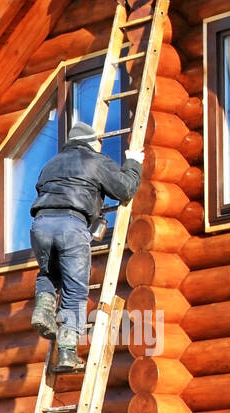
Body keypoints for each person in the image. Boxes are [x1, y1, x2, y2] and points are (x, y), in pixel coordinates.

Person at [30, 121, 144, 375]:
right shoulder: (95, 160)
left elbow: (42, 191)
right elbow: (125, 189)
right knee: (74, 290)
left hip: (40, 225)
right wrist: (134, 162)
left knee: (49, 272)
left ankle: (43, 308)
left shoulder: (50, 165)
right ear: (92, 142)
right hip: (71, 226)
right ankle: (68, 352)